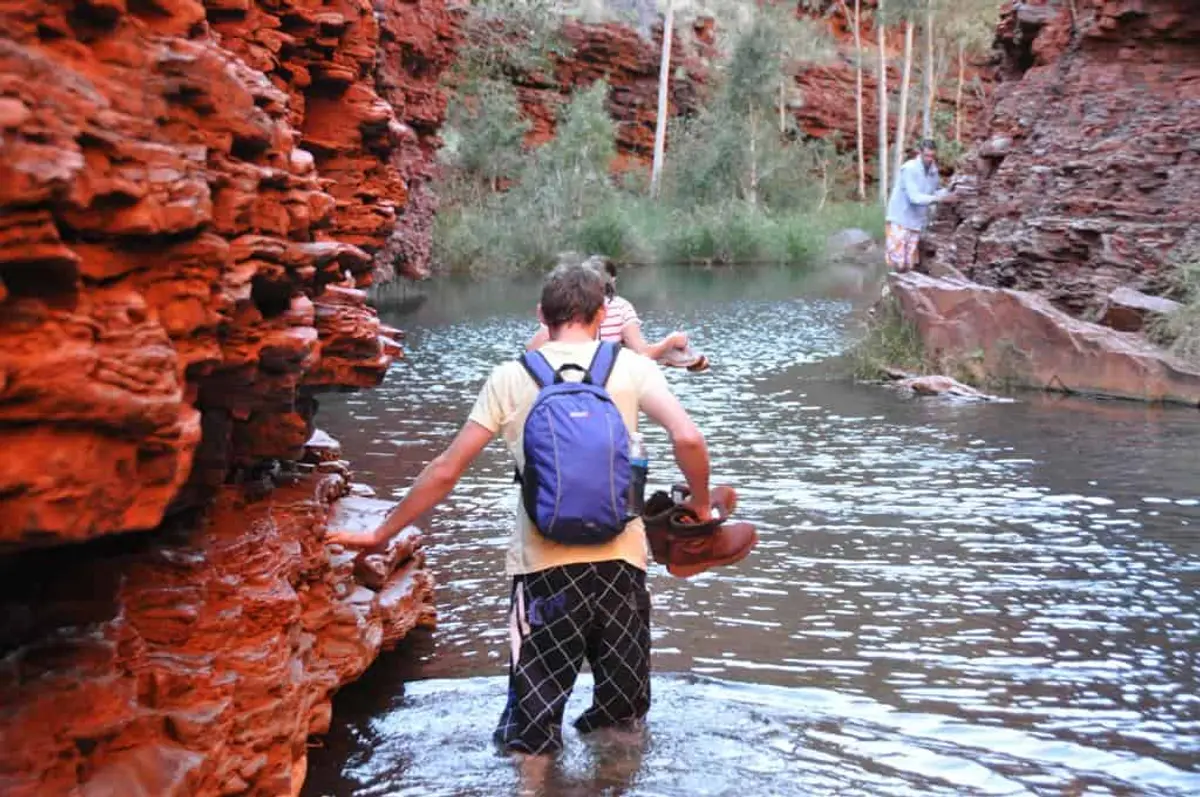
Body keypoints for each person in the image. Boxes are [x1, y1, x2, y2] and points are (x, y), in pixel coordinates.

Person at [328, 262, 713, 755]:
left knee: (532, 727)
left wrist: (381, 534)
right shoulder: (632, 367)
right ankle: (615, 784)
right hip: (621, 566)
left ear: (541, 315)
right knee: (623, 716)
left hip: (542, 569)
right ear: (600, 314)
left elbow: (446, 470)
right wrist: (700, 506)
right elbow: (688, 437)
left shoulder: (510, 377)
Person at [525, 258, 689, 361]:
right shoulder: (621, 307)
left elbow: (531, 350)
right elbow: (642, 353)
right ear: (613, 280)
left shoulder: (566, 302)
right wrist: (671, 341)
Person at [885, 139, 955, 273]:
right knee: (898, 264)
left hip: (916, 222)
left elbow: (935, 189)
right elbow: (914, 197)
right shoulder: (909, 168)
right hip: (900, 219)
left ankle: (905, 291)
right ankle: (891, 291)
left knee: (910, 265)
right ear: (920, 153)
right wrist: (941, 199)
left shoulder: (933, 170)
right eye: (927, 156)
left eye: (932, 156)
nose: (929, 159)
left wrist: (951, 192)